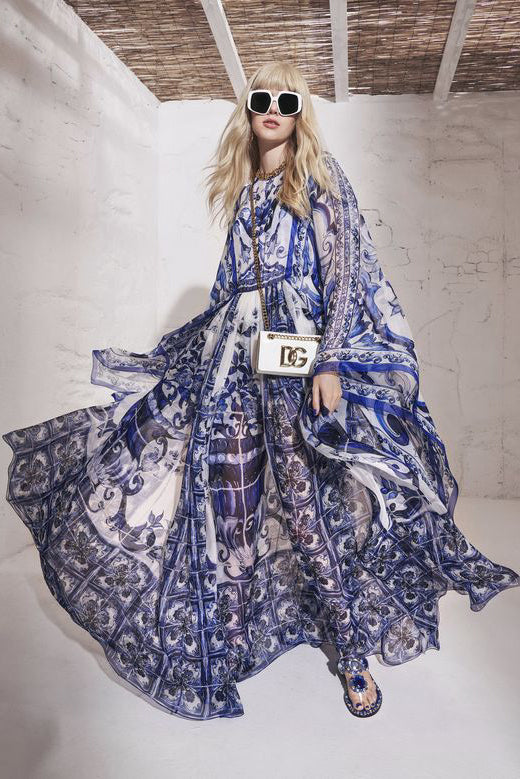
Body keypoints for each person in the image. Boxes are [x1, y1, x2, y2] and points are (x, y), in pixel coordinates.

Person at [3, 61, 519, 722]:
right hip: (231, 364)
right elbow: (226, 294)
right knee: (231, 503)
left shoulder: (321, 182)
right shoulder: (245, 195)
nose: (273, 108)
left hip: (295, 366)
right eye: (260, 98)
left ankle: (352, 652)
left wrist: (330, 362)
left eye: (287, 99)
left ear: (300, 112)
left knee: (306, 510)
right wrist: (184, 361)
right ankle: (231, 639)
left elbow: (346, 275)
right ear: (248, 111)